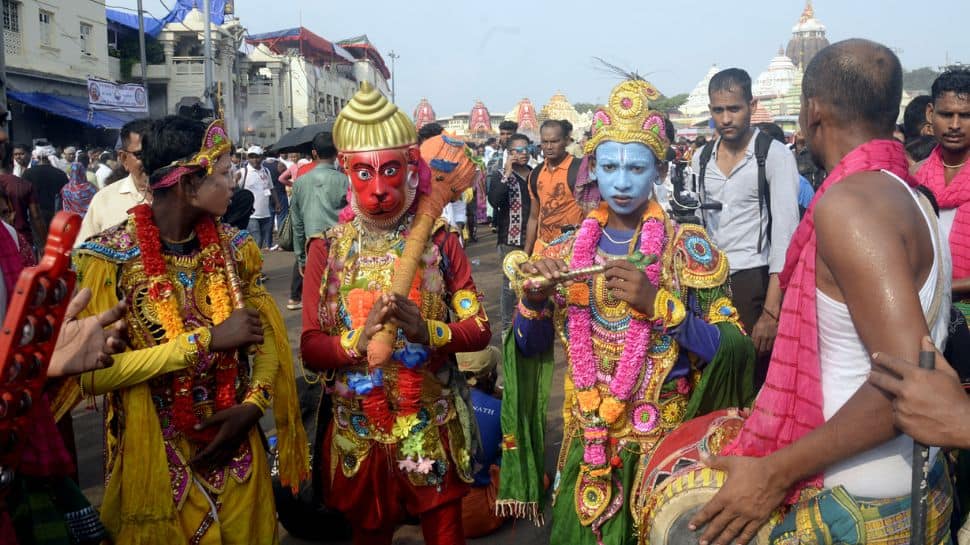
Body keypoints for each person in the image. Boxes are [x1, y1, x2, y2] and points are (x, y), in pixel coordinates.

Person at [688, 39, 953, 545]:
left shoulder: (851, 205)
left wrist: (774, 473)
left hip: (859, 499)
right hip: (910, 484)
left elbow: (908, 385)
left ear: (811, 111)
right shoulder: (908, 192)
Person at [499, 78, 756, 545]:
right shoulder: (565, 251)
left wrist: (659, 305)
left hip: (664, 447)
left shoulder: (687, 248)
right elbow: (528, 348)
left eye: (636, 167)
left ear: (658, 168)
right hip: (588, 444)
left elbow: (733, 348)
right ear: (592, 167)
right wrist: (533, 302)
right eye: (610, 166)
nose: (621, 181)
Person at [69, 115, 309, 544]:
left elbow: (266, 340)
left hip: (236, 446)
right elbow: (93, 375)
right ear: (187, 184)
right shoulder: (110, 260)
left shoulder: (237, 249)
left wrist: (253, 406)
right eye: (222, 172)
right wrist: (205, 341)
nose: (233, 182)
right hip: (155, 456)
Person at [300, 82, 490, 545]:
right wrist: (355, 343)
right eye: (365, 174)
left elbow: (479, 329)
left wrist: (428, 330)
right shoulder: (327, 249)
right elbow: (309, 348)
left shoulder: (441, 242)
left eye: (391, 171)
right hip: (357, 428)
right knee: (368, 534)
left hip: (430, 422)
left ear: (412, 167)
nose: (380, 189)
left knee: (445, 533)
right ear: (345, 170)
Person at [691, 68, 800, 386]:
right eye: (718, 110)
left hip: (755, 281)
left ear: (751, 106)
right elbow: (697, 227)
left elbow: (785, 237)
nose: (725, 119)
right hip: (708, 286)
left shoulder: (773, 156)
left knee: (755, 381)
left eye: (734, 109)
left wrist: (771, 312)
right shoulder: (701, 159)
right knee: (714, 377)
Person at [916, 68, 970, 318]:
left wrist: (941, 289)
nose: (955, 125)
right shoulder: (915, 178)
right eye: (947, 115)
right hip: (926, 316)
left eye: (966, 116)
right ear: (930, 114)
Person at [287, 131, 348, 310]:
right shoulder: (345, 181)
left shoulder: (300, 182)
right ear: (337, 153)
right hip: (340, 246)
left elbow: (297, 225)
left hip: (312, 246)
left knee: (315, 302)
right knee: (339, 300)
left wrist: (300, 257)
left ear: (314, 153)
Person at [77, 118, 153, 246]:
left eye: (156, 153)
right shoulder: (103, 200)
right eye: (140, 155)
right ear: (123, 158)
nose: (150, 161)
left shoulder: (178, 195)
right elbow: (82, 254)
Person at [457, 347, 505, 539]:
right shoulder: (501, 408)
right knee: (538, 479)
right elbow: (513, 453)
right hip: (474, 516)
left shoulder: (441, 400)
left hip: (435, 508)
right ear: (491, 375)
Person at [487, 133, 533, 332]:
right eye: (518, 151)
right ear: (510, 153)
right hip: (510, 240)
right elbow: (495, 201)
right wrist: (507, 171)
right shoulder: (500, 175)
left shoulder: (534, 173)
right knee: (510, 286)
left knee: (532, 282)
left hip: (532, 237)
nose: (523, 154)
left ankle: (530, 324)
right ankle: (507, 327)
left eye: (526, 150)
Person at [523, 120, 587, 256]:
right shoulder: (535, 174)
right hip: (542, 250)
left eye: (554, 141)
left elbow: (591, 216)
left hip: (572, 250)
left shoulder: (580, 170)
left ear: (566, 141)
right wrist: (525, 254)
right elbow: (534, 217)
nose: (549, 147)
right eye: (545, 142)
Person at [0, 142, 45, 250]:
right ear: (12, 162)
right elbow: (36, 216)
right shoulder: (24, 185)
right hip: (21, 239)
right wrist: (45, 242)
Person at [234, 145, 278, 249]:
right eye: (251, 157)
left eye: (257, 156)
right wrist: (235, 180)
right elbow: (233, 190)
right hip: (251, 214)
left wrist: (277, 203)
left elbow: (271, 188)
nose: (254, 159)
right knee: (256, 239)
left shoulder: (266, 171)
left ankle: (255, 262)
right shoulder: (243, 172)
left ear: (262, 157)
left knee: (261, 241)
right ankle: (254, 264)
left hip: (265, 214)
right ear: (248, 158)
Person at [22, 145, 68, 228]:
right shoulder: (61, 173)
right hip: (57, 215)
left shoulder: (28, 173)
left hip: (35, 213)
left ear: (37, 156)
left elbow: (24, 194)